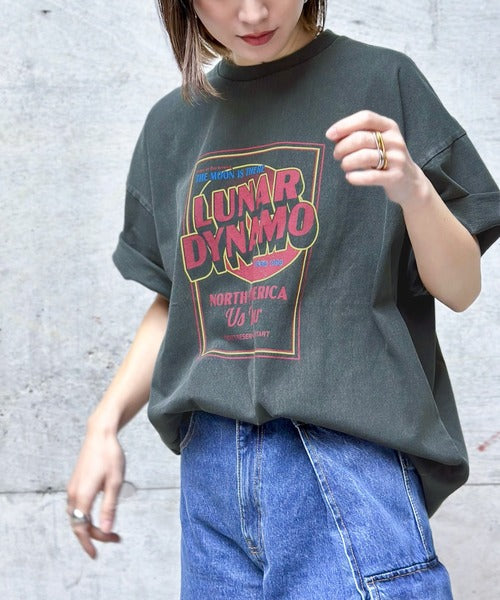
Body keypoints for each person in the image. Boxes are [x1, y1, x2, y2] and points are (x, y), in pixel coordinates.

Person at [66, 1, 500, 598]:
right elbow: (179, 305)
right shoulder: (171, 126)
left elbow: (461, 288)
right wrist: (103, 424)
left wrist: (416, 191)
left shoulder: (381, 81)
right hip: (211, 478)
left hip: (342, 457)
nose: (252, 12)